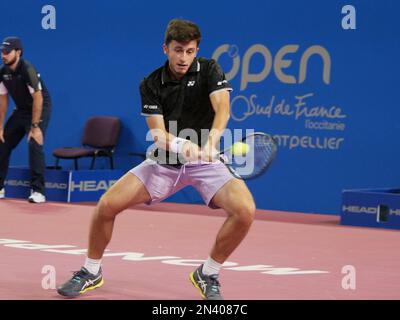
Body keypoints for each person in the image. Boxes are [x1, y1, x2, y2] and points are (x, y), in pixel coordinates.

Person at [57, 19, 255, 300]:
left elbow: (222, 108)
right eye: (178, 50)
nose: (183, 57)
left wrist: (210, 143)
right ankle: (91, 271)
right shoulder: (151, 84)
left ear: (197, 49)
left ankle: (208, 273)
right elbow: (159, 135)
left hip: (207, 164)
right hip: (163, 163)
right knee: (106, 206)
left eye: (189, 51)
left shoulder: (210, 70)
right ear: (166, 49)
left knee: (245, 211)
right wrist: (183, 145)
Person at [0, 36, 52, 203]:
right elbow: (2, 100)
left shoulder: (27, 69)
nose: (4, 55)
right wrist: (0, 127)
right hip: (21, 110)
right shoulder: (3, 72)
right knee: (2, 141)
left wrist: (35, 126)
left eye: (7, 52)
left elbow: (38, 98)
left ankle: (38, 191)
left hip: (40, 108)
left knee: (34, 143)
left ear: (18, 52)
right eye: (2, 51)